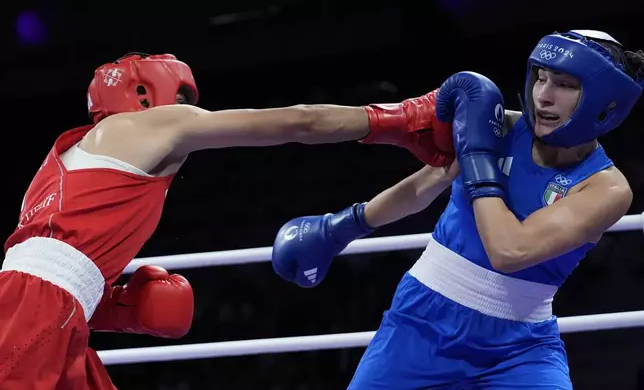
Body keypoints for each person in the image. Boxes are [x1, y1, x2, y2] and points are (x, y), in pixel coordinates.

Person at [0, 52, 455, 389]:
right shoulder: (150, 126)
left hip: (55, 313)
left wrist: (119, 309)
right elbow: (300, 122)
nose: (185, 108)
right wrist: (398, 118)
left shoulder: (58, 165)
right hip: (41, 312)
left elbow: (41, 273)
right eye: (177, 98)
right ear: (143, 95)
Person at [271, 30, 644, 388]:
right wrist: (344, 226)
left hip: (520, 347)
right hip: (421, 323)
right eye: (541, 78)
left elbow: (510, 250)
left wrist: (478, 162)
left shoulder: (605, 188)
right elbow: (422, 187)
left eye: (564, 85)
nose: (543, 96)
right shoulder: (501, 128)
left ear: (603, 99)